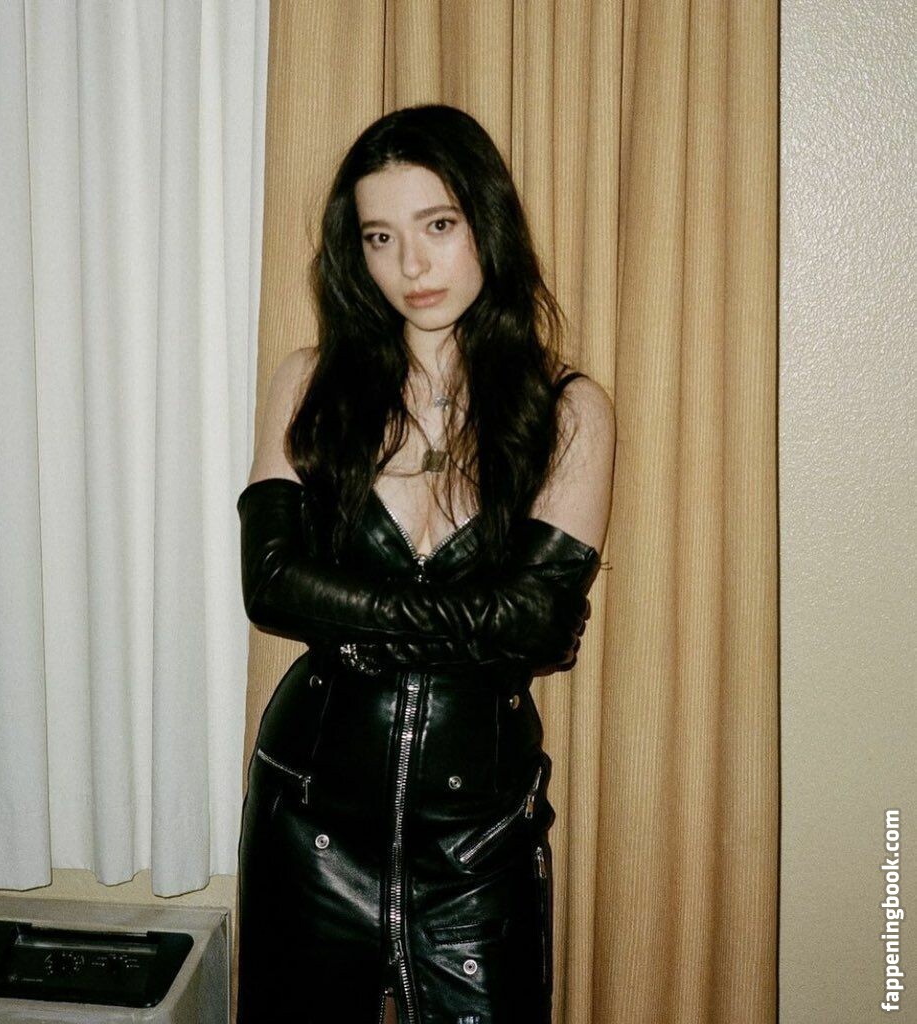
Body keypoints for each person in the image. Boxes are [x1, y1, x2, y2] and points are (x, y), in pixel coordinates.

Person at [236, 104, 615, 1024]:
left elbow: (535, 622)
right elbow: (271, 586)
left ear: (486, 223)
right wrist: (489, 619)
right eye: (380, 237)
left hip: (477, 842)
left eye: (437, 225)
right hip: (310, 820)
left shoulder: (567, 410)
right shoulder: (308, 383)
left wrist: (355, 619)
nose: (411, 265)